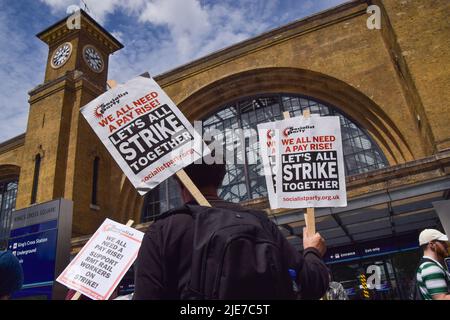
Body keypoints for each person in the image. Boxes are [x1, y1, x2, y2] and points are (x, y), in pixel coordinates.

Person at [133, 155, 329, 300]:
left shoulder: (163, 231)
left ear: (178, 180)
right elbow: (312, 284)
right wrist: (312, 251)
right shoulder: (259, 222)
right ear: (221, 176)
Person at [415, 229, 450, 300]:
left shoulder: (426, 265)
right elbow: (441, 298)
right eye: (442, 242)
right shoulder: (431, 268)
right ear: (432, 244)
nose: (446, 245)